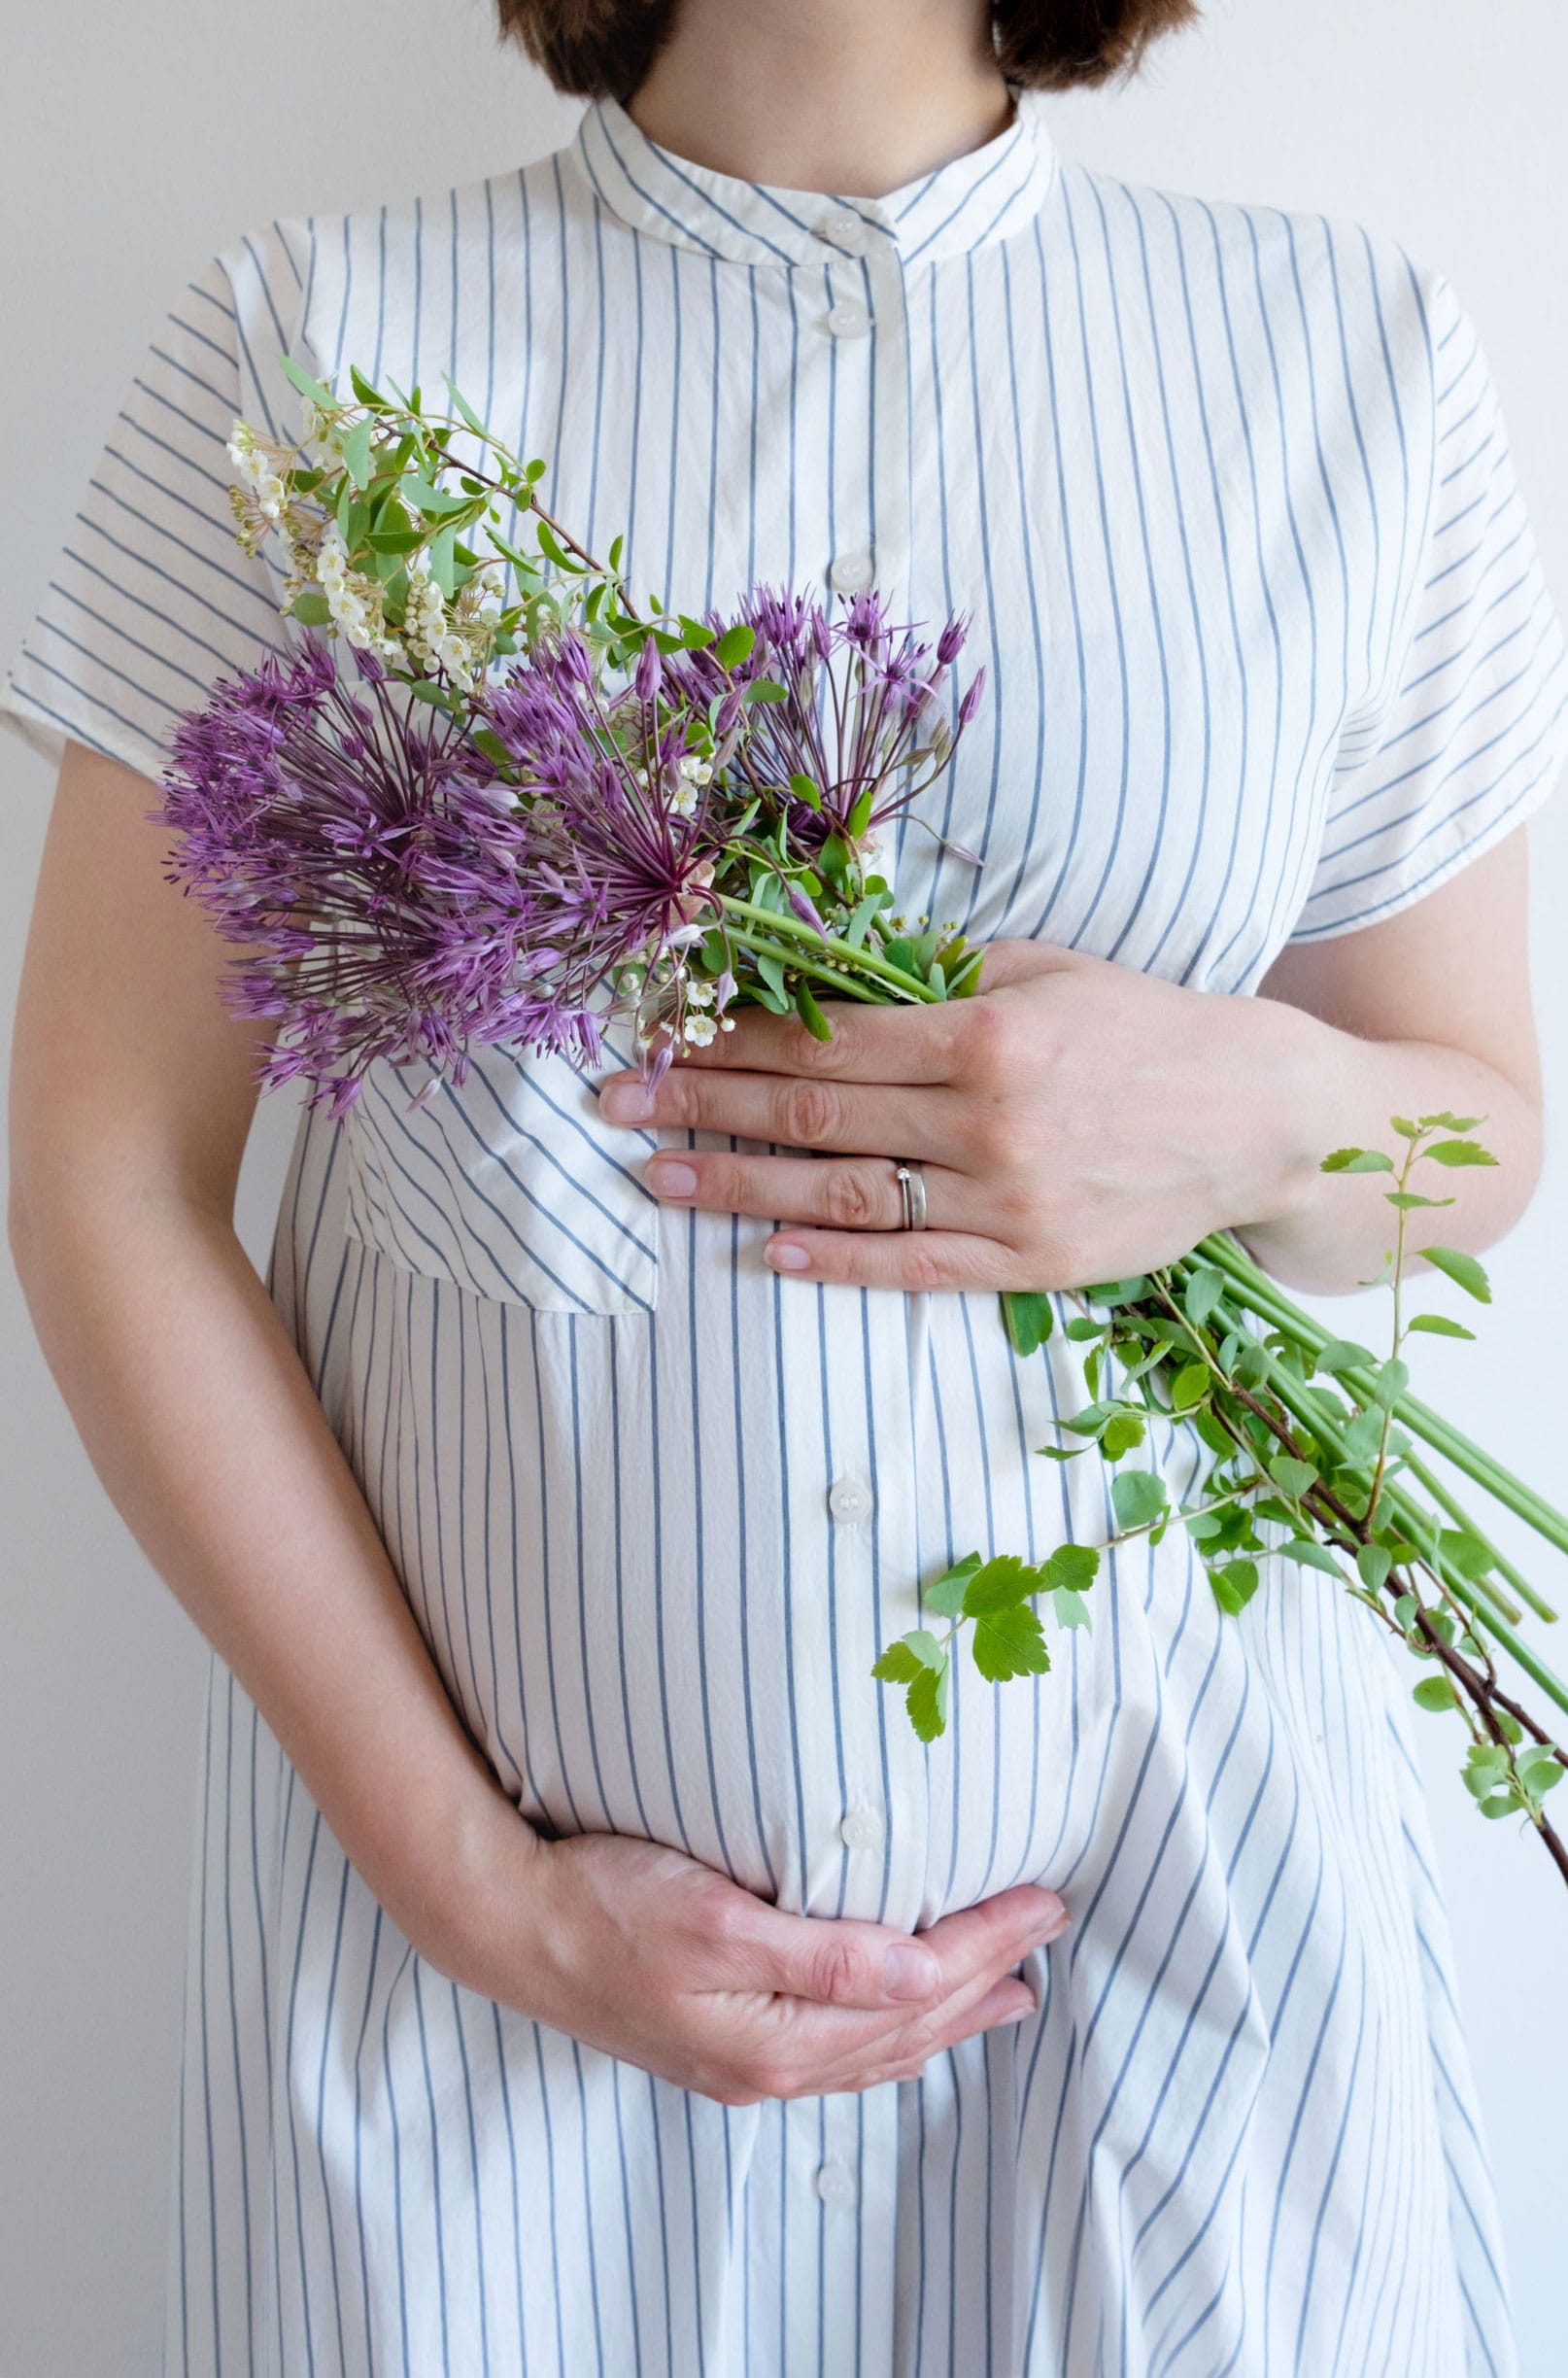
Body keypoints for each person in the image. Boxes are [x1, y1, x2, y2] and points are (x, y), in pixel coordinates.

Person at [4, 0, 1563, 2368]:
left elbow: (1471, 1142)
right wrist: (478, 1892)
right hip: (481, 2044)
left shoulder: (1344, 363)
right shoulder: (311, 358)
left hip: (1179, 1992)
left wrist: (1236, 1116)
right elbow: (109, 1170)